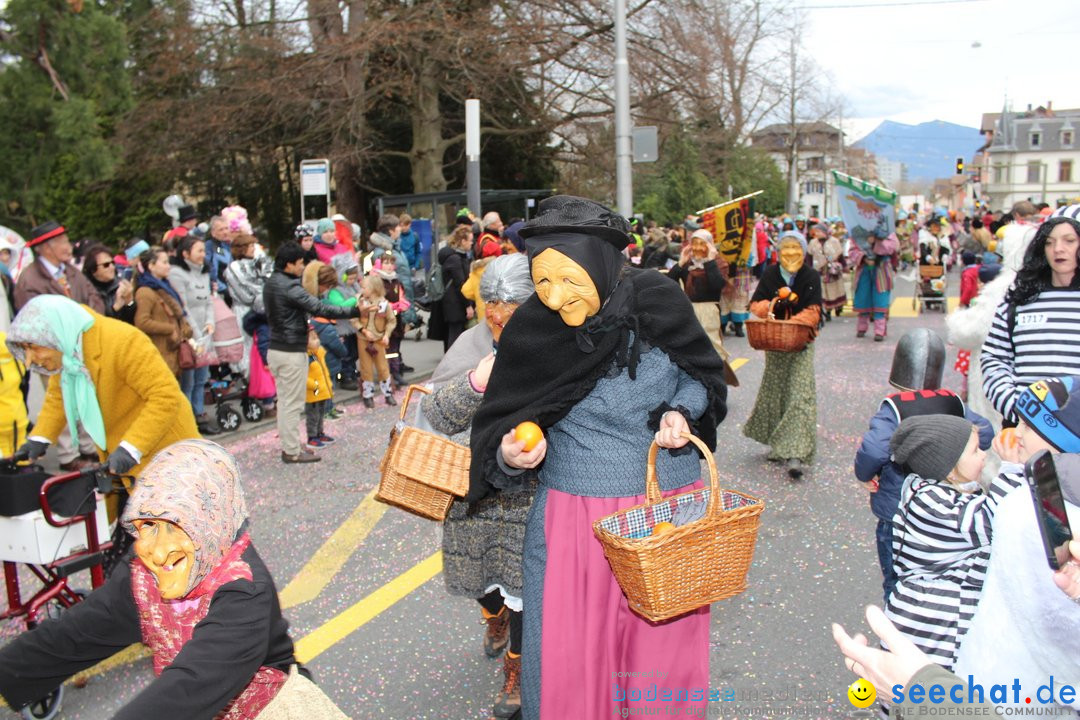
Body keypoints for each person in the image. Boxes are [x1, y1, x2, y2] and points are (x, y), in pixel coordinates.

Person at [468, 196, 728, 720]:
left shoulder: (658, 299)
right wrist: (515, 453)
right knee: (570, 661)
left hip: (664, 516)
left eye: (569, 279)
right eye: (542, 282)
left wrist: (683, 411)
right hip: (573, 522)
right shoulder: (533, 330)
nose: (556, 297)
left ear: (601, 264)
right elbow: (500, 423)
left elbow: (701, 374)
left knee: (660, 663)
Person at [0, 439, 348, 719]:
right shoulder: (142, 574)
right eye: (146, 525)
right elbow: (73, 637)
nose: (156, 549)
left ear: (212, 523)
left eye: (176, 527)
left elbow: (190, 687)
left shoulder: (243, 589)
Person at [419, 254, 534, 720]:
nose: (497, 313)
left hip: (531, 495)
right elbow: (437, 415)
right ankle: (494, 617)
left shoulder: (555, 343)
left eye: (509, 303)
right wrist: (475, 382)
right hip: (475, 490)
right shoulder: (471, 343)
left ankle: (517, 668)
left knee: (526, 586)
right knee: (483, 582)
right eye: (491, 302)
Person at [855, 329, 994, 603]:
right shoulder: (952, 402)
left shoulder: (894, 407)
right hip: (949, 508)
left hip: (899, 511)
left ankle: (898, 624)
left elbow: (873, 450)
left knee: (897, 580)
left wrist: (866, 474)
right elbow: (984, 432)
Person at [8, 295, 199, 483]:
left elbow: (165, 397)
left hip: (166, 451)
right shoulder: (67, 350)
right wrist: (40, 437)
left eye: (33, 347)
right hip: (122, 458)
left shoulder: (123, 340)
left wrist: (132, 447)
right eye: (25, 350)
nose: (29, 360)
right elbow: (59, 397)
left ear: (57, 333)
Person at [885, 415, 1021, 670]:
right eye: (974, 451)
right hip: (932, 620)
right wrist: (1012, 471)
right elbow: (989, 522)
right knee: (928, 693)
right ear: (947, 467)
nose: (983, 455)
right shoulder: (929, 502)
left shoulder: (943, 490)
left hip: (941, 612)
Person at [981, 207, 1080, 426]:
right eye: (1049, 242)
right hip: (1023, 428)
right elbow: (994, 358)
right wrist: (1017, 408)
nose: (1058, 249)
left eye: (1069, 240)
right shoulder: (1020, 298)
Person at [263, 241, 360, 463]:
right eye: (299, 264)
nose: (302, 268)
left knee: (286, 402)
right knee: (292, 404)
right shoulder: (289, 287)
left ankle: (293, 445)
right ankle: (292, 451)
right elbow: (319, 307)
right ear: (288, 264)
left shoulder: (272, 283)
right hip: (290, 351)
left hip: (277, 349)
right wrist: (355, 310)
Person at [743, 230, 822, 479]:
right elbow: (756, 305)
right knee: (776, 392)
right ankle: (779, 443)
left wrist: (794, 325)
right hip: (776, 345)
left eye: (795, 249)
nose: (790, 254)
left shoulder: (811, 276)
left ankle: (795, 452)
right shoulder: (771, 274)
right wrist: (774, 303)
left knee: (800, 394)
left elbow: (814, 310)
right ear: (778, 252)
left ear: (803, 251)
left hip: (801, 344)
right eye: (785, 249)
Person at [665, 228, 737, 383]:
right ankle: (695, 383)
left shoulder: (719, 263)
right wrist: (681, 262)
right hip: (689, 311)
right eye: (694, 244)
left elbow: (717, 285)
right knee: (690, 348)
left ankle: (716, 382)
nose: (697, 248)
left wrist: (710, 261)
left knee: (712, 347)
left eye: (702, 244)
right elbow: (670, 283)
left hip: (709, 310)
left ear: (710, 246)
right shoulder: (688, 264)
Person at [169, 235, 220, 435]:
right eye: (199, 251)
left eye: (204, 251)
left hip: (205, 330)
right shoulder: (176, 274)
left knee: (202, 377)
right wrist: (196, 334)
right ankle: (187, 418)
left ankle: (200, 414)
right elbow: (183, 307)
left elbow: (208, 300)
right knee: (188, 380)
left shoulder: (204, 272)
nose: (203, 255)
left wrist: (210, 323)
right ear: (185, 253)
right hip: (188, 332)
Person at [13, 221, 104, 314]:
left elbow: (95, 298)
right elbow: (32, 318)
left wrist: (88, 319)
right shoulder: (29, 280)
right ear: (47, 248)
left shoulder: (72, 271)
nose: (70, 247)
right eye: (64, 242)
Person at [133, 245, 191, 377]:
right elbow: (142, 322)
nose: (168, 266)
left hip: (172, 350)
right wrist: (170, 328)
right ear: (151, 266)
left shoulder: (165, 287)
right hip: (160, 352)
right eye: (164, 262)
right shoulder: (145, 292)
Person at [850, 230, 898, 341]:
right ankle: (862, 327)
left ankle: (879, 330)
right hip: (864, 268)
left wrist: (877, 241)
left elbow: (891, 247)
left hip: (881, 267)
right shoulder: (858, 231)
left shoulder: (887, 230)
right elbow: (852, 250)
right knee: (862, 297)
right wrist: (864, 258)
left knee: (880, 297)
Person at [357, 274, 397, 408]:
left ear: (374, 288)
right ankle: (367, 395)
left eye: (365, 287)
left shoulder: (384, 304)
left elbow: (391, 320)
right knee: (366, 368)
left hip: (379, 340)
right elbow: (353, 318)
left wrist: (386, 334)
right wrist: (363, 330)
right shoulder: (360, 301)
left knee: (383, 367)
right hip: (364, 339)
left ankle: (388, 393)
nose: (362, 290)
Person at [436, 225, 474, 351]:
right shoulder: (455, 259)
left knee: (454, 333)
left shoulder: (454, 257)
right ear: (463, 241)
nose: (472, 243)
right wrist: (468, 305)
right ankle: (451, 364)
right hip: (455, 303)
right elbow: (460, 284)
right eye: (470, 240)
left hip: (451, 302)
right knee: (455, 335)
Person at [81, 243, 135, 323]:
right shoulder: (87, 292)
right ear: (93, 270)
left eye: (113, 263)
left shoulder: (120, 285)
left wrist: (130, 302)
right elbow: (96, 322)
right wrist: (116, 308)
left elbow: (131, 320)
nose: (112, 267)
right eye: (106, 265)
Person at [807, 222, 846, 320]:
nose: (816, 233)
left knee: (835, 290)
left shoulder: (834, 241)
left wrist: (844, 267)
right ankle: (826, 311)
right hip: (819, 270)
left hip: (832, 271)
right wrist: (809, 269)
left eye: (818, 231)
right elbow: (809, 257)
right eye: (816, 231)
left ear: (824, 232)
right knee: (823, 292)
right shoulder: (813, 243)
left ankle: (837, 307)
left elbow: (839, 255)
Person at [305, 328, 335, 448]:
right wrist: (315, 386)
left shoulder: (318, 354)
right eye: (313, 338)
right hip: (313, 393)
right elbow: (302, 376)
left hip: (322, 391)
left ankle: (319, 433)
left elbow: (324, 372)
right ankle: (312, 437)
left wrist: (329, 386)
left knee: (321, 413)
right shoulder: (306, 358)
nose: (317, 341)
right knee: (313, 415)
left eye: (316, 338)